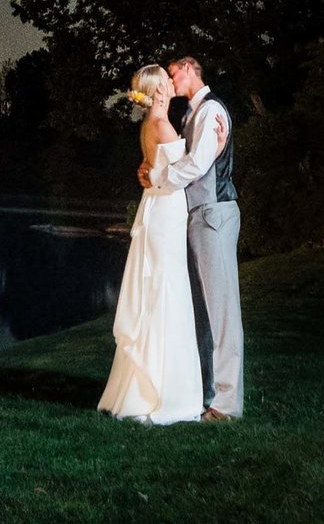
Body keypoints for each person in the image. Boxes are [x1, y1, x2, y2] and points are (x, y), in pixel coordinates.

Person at [96, 64, 203, 423]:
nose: (173, 85)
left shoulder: (149, 126)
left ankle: (144, 384)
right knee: (165, 292)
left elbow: (152, 167)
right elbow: (182, 174)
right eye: (168, 82)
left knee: (159, 289)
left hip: (158, 210)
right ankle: (161, 391)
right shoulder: (160, 125)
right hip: (165, 211)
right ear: (158, 91)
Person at [140, 55, 243, 421]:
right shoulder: (191, 115)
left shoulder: (210, 109)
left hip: (214, 215)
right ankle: (207, 395)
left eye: (172, 73)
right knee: (202, 314)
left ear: (188, 68)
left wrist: (158, 178)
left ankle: (228, 405)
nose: (169, 81)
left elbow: (199, 165)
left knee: (222, 312)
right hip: (198, 216)